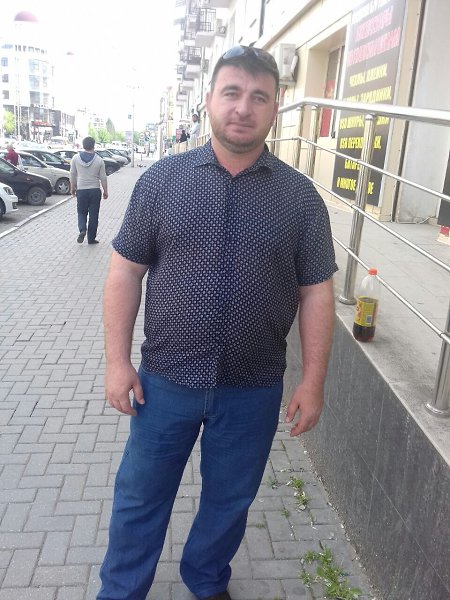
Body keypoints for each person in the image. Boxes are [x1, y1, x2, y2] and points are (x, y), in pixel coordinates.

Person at [98, 45, 337, 600]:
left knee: (230, 501)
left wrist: (313, 381)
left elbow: (316, 293)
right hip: (165, 382)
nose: (243, 108)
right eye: (232, 92)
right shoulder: (162, 181)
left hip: (253, 388)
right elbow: (124, 272)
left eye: (259, 97)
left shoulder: (300, 199)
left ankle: (206, 580)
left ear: (276, 107)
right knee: (140, 497)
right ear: (209, 100)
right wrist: (116, 362)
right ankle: (122, 590)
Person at [69, 136, 108, 245]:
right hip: (95, 190)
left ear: (83, 145)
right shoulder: (99, 160)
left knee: (81, 212)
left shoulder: (75, 158)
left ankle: (82, 229)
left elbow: (72, 174)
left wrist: (73, 188)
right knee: (93, 215)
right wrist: (105, 191)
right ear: (93, 145)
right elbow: (103, 177)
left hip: (81, 190)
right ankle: (91, 239)